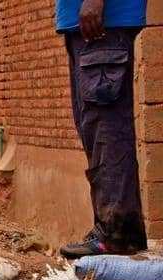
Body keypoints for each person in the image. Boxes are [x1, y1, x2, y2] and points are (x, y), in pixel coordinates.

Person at [56, 0, 148, 258]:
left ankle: (117, 233)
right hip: (87, 25)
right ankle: (112, 230)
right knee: (95, 128)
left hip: (101, 22)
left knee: (108, 129)